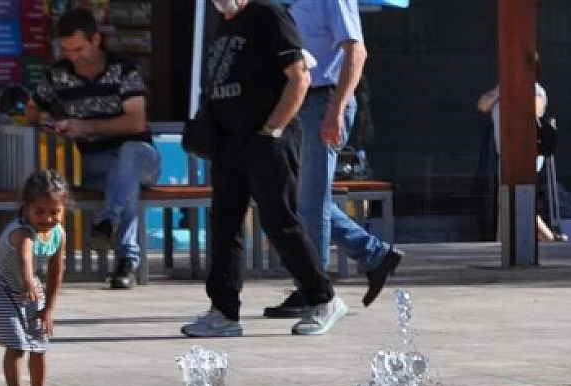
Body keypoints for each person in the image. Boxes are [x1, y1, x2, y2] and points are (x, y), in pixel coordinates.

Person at [182, 0, 346, 339]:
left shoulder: (268, 15)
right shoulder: (225, 24)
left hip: (267, 136)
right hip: (228, 140)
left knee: (279, 221)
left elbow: (299, 77)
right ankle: (224, 310)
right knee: (224, 224)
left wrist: (272, 130)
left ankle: (322, 298)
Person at [264, 0, 402, 319]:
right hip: (297, 102)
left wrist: (336, 109)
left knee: (310, 202)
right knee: (304, 199)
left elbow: (357, 50)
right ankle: (374, 255)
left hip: (323, 100)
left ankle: (314, 289)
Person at [30, 10, 159, 291]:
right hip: (96, 163)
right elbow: (34, 110)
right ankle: (125, 263)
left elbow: (136, 122)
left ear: (96, 40)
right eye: (66, 49)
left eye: (79, 48)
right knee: (123, 184)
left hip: (141, 156)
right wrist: (49, 122)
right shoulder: (58, 74)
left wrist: (86, 126)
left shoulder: (124, 69)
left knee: (128, 155)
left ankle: (107, 222)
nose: (73, 56)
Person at [0, 172, 69, 386]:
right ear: (25, 208)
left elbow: (56, 270)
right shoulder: (22, 232)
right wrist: (28, 281)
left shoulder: (58, 233)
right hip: (0, 287)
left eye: (54, 212)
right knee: (16, 344)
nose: (47, 219)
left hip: (29, 288)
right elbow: (25, 258)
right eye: (40, 212)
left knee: (40, 344)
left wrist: (48, 309)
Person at [477, 68, 563, 242]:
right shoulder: (501, 91)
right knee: (507, 201)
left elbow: (535, 111)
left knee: (518, 201)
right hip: (505, 154)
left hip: (526, 154)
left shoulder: (535, 90)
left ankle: (547, 238)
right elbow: (482, 105)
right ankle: (503, 242)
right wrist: (502, 90)